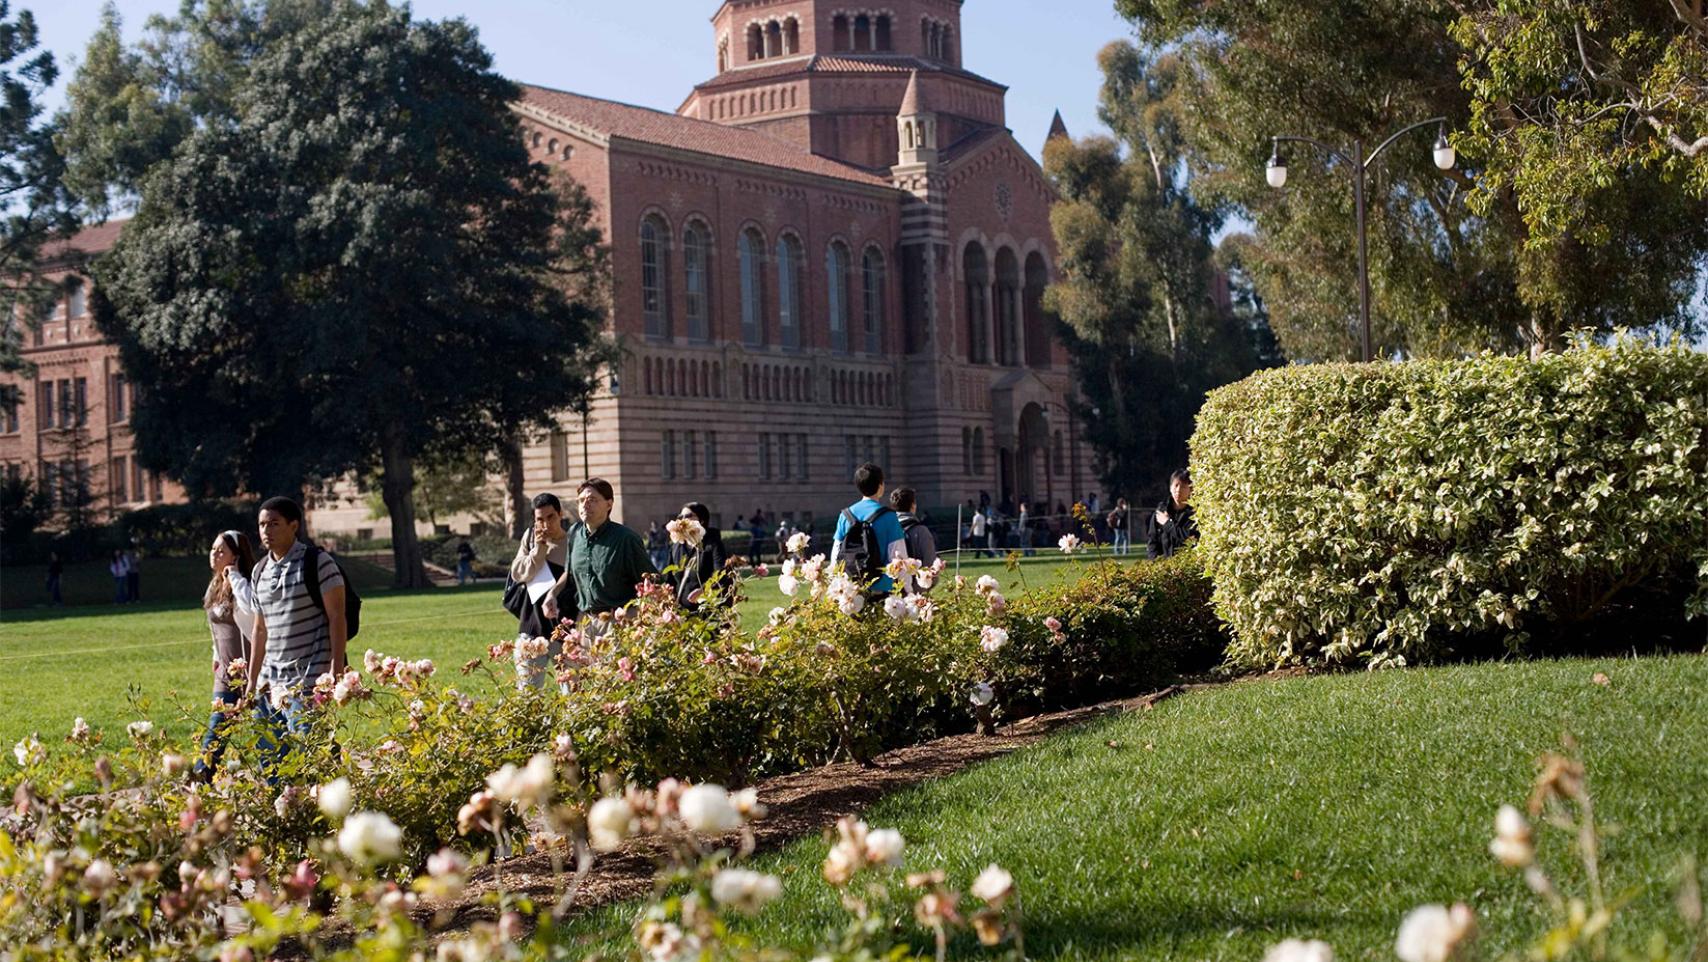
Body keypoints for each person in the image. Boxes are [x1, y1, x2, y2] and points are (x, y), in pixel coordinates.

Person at [244, 496, 347, 771]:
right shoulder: (258, 571)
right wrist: (251, 681)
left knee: (316, 759)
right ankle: (284, 812)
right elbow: (259, 629)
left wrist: (336, 668)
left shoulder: (317, 562)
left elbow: (337, 617)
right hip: (269, 685)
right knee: (271, 762)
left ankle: (333, 809)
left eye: (274, 524)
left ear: (294, 526)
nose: (266, 531)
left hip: (308, 681)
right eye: (262, 525)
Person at [546, 478, 654, 633]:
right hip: (586, 623)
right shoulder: (574, 533)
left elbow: (650, 579)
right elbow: (568, 572)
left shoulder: (626, 539)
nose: (585, 504)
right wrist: (552, 593)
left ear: (609, 504)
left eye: (592, 500)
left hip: (619, 623)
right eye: (581, 500)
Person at [196, 530, 259, 781]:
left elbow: (252, 610)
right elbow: (215, 627)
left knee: (271, 733)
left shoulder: (245, 582)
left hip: (252, 671)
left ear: (236, 555)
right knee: (216, 731)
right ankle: (200, 781)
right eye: (213, 549)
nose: (214, 555)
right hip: (225, 674)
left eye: (221, 551)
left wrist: (234, 576)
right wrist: (215, 657)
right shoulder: (214, 585)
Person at [509, 493, 576, 686]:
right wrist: (538, 550)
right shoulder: (530, 538)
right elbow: (518, 574)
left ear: (560, 514)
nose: (546, 524)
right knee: (528, 695)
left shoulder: (573, 542)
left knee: (572, 696)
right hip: (532, 628)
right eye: (540, 519)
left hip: (565, 631)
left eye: (551, 517)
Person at [830, 462, 908, 596]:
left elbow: (835, 556)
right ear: (880, 486)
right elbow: (898, 556)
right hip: (884, 589)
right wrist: (907, 589)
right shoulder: (889, 517)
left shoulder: (845, 515)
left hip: (853, 591)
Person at [671, 501, 730, 610]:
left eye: (689, 516)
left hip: (707, 608)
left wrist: (703, 589)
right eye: (681, 517)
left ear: (702, 520)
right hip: (681, 611)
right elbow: (669, 578)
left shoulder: (713, 544)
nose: (683, 520)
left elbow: (721, 574)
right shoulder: (677, 546)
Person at [1148, 470, 1198, 559]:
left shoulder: (1195, 514)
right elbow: (1152, 542)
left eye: (1183, 486)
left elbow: (1191, 538)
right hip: (1164, 568)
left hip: (1187, 566)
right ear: (1170, 488)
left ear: (1191, 490)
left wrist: (1168, 524)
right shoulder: (1161, 512)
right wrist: (1154, 563)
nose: (1178, 490)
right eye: (1176, 485)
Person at [890, 486, 938, 579]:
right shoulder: (921, 531)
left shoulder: (886, 529)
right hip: (916, 589)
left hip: (891, 588)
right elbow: (931, 568)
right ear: (913, 505)